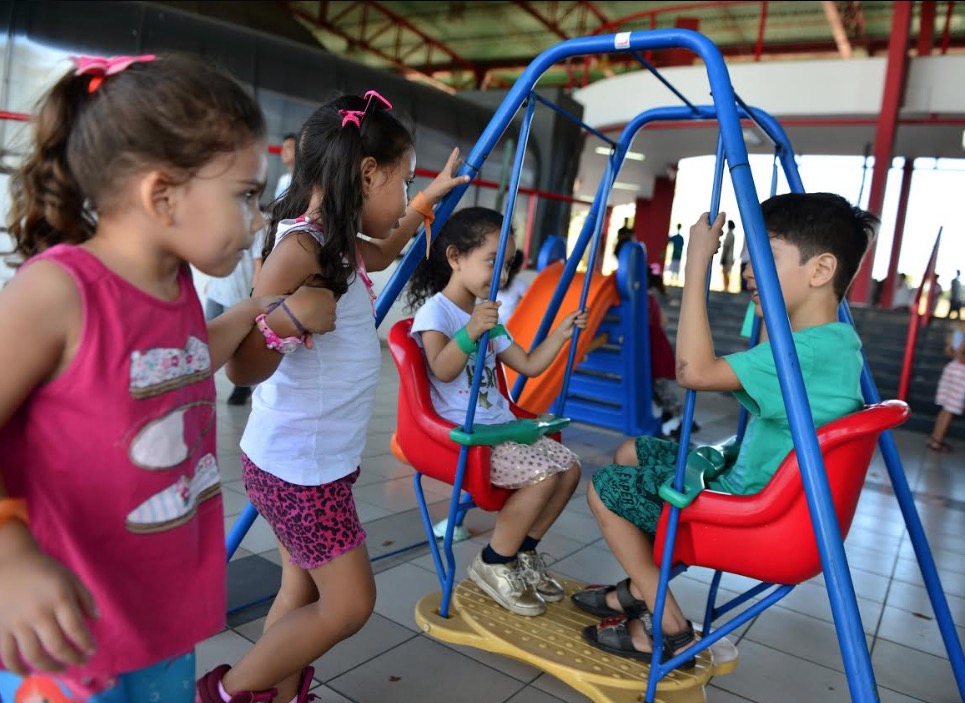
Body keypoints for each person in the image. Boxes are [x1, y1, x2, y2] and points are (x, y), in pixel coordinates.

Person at [0, 54, 335, 703]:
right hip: (62, 634)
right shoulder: (58, 291)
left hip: (154, 620)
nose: (259, 218)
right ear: (161, 194)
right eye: (245, 194)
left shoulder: (174, 281)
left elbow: (167, 370)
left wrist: (246, 313)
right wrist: (9, 553)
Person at [196, 91, 469, 703]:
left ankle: (280, 693)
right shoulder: (300, 249)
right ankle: (226, 693)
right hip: (299, 469)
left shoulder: (338, 235)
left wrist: (428, 199)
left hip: (317, 462)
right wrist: (288, 320)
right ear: (366, 173)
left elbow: (386, 244)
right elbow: (241, 365)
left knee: (302, 593)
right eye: (402, 182)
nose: (403, 196)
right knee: (349, 603)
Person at [572, 193, 876, 667]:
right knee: (633, 451)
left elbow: (693, 371)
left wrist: (696, 266)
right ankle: (636, 589)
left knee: (606, 488)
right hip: (776, 500)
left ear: (820, 271)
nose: (749, 269)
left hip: (756, 517)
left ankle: (665, 625)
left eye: (765, 257)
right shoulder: (835, 343)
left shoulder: (804, 353)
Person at [405, 206, 588, 617]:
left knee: (570, 470)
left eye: (506, 266)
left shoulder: (487, 313)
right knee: (543, 478)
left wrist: (561, 333)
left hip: (499, 429)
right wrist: (471, 330)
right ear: (455, 257)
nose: (501, 277)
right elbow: (442, 368)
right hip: (464, 437)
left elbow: (528, 364)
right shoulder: (438, 312)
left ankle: (523, 552)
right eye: (492, 262)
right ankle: (493, 561)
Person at [205, 224, 266, 405]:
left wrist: (255, 294)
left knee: (235, 343)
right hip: (216, 292)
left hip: (238, 294)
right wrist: (210, 282)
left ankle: (242, 386)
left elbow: (258, 263)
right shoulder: (222, 220)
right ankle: (205, 384)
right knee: (205, 341)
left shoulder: (256, 225)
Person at [927, 320, 965, 452]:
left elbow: (950, 350)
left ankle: (934, 437)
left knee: (945, 409)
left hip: (952, 368)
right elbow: (961, 354)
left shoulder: (959, 330)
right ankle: (938, 441)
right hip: (961, 373)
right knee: (951, 409)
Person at [496, 249, 529, 322]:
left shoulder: (497, 280)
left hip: (494, 322)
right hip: (508, 325)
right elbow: (531, 302)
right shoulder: (520, 284)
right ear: (519, 266)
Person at [273, 132, 296, 200]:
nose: (283, 151)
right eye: (283, 148)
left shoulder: (305, 181)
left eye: (288, 147)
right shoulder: (283, 180)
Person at [720, 219, 736, 291]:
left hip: (727, 256)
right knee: (726, 272)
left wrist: (723, 257)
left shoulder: (729, 235)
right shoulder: (732, 235)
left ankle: (726, 287)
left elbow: (726, 247)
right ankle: (726, 287)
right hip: (729, 256)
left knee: (725, 272)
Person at [738, 226, 751, 292]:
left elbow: (744, 246)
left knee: (744, 276)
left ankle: (743, 290)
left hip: (745, 258)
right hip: (748, 259)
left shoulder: (746, 234)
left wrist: (741, 255)